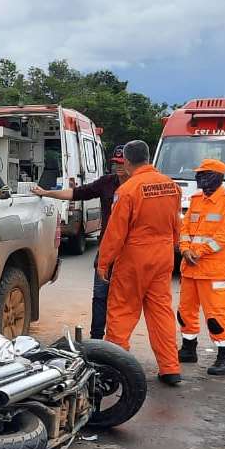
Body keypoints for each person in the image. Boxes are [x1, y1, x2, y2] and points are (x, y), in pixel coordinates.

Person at [96, 140, 183, 386]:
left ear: (127, 162)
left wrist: (104, 262)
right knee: (161, 312)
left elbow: (115, 232)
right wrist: (173, 246)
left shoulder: (128, 190)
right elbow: (176, 223)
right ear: (148, 158)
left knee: (122, 311)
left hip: (135, 255)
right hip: (163, 254)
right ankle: (170, 368)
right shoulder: (171, 186)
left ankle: (115, 367)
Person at [32, 145, 130, 339]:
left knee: (123, 300)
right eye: (115, 163)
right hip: (107, 249)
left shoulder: (138, 186)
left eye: (122, 163)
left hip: (130, 252)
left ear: (130, 163)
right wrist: (46, 193)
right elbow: (76, 193)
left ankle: (118, 341)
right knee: (100, 295)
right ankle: (96, 339)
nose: (118, 167)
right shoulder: (106, 183)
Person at [177, 159, 225, 376]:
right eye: (199, 174)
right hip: (190, 268)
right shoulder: (196, 199)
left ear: (217, 177)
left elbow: (224, 235)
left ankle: (224, 358)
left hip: (214, 270)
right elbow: (185, 226)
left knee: (216, 316)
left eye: (204, 174)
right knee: (185, 312)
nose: (199, 178)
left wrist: (198, 251)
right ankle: (188, 349)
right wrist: (185, 248)